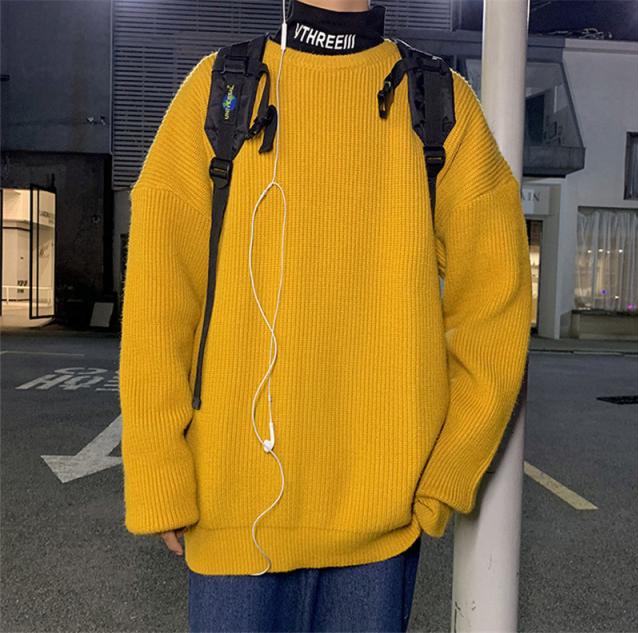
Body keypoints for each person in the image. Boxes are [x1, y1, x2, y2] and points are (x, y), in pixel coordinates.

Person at [118, 0, 532, 631]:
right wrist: (158, 471)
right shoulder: (221, 90)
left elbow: (495, 307)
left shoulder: (437, 103)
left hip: (381, 523)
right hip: (232, 512)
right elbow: (158, 304)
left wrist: (449, 471)